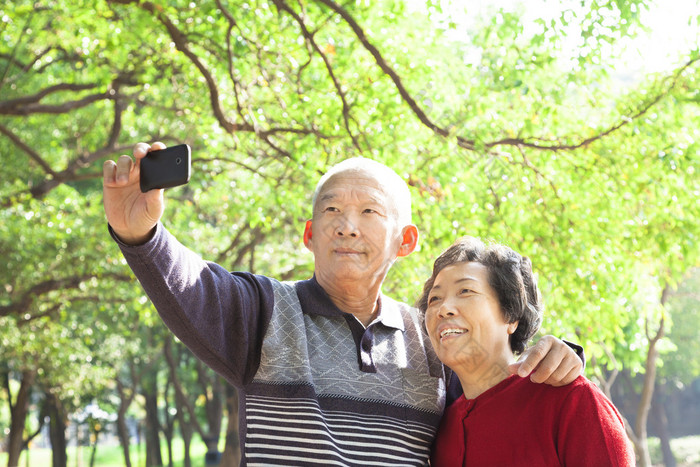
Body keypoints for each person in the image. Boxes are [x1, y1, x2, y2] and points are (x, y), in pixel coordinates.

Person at [103, 142, 584, 466]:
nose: (347, 226)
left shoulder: (435, 336)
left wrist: (559, 353)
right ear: (310, 235)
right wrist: (140, 234)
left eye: (370, 212)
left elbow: (498, 384)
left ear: (406, 241)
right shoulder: (264, 312)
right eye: (331, 210)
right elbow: (191, 284)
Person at [419, 237, 634, 466]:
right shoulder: (441, 429)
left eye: (465, 291)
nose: (444, 309)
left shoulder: (571, 401)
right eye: (435, 299)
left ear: (511, 316)